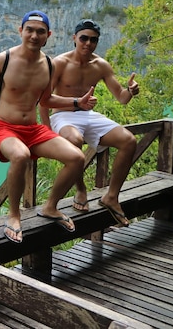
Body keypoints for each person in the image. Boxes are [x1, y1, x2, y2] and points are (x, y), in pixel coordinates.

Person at [0, 10, 97, 244]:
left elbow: (47, 99)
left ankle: (50, 207)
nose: (34, 36)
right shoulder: (4, 59)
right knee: (20, 155)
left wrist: (77, 103)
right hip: (3, 127)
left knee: (77, 158)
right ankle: (14, 214)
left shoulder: (49, 64)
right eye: (29, 30)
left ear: (48, 35)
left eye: (40, 32)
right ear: (20, 31)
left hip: (33, 130)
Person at [40, 19, 139, 227]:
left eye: (93, 40)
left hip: (88, 115)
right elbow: (44, 99)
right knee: (74, 140)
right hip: (63, 115)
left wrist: (130, 91)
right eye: (83, 38)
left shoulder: (101, 65)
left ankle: (111, 196)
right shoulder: (60, 62)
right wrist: (46, 129)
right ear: (74, 38)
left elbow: (121, 98)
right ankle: (80, 188)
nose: (88, 43)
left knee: (129, 141)